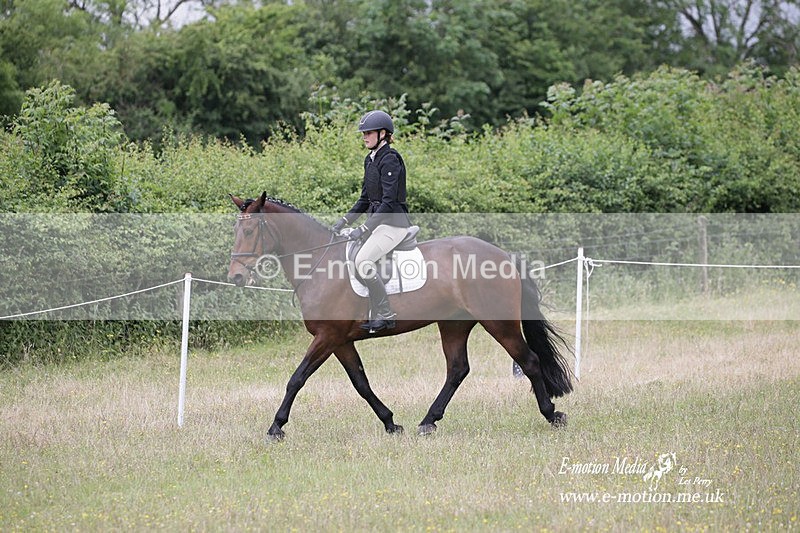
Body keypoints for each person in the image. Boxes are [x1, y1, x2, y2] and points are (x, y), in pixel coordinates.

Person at [331, 110, 412, 332]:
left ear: (383, 134)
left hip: (394, 224)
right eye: (363, 133)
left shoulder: (391, 159)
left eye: (368, 133)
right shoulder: (370, 160)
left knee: (363, 261)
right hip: (378, 223)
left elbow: (387, 202)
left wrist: (364, 228)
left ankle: (386, 313)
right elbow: (365, 199)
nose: (364, 137)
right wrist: (344, 221)